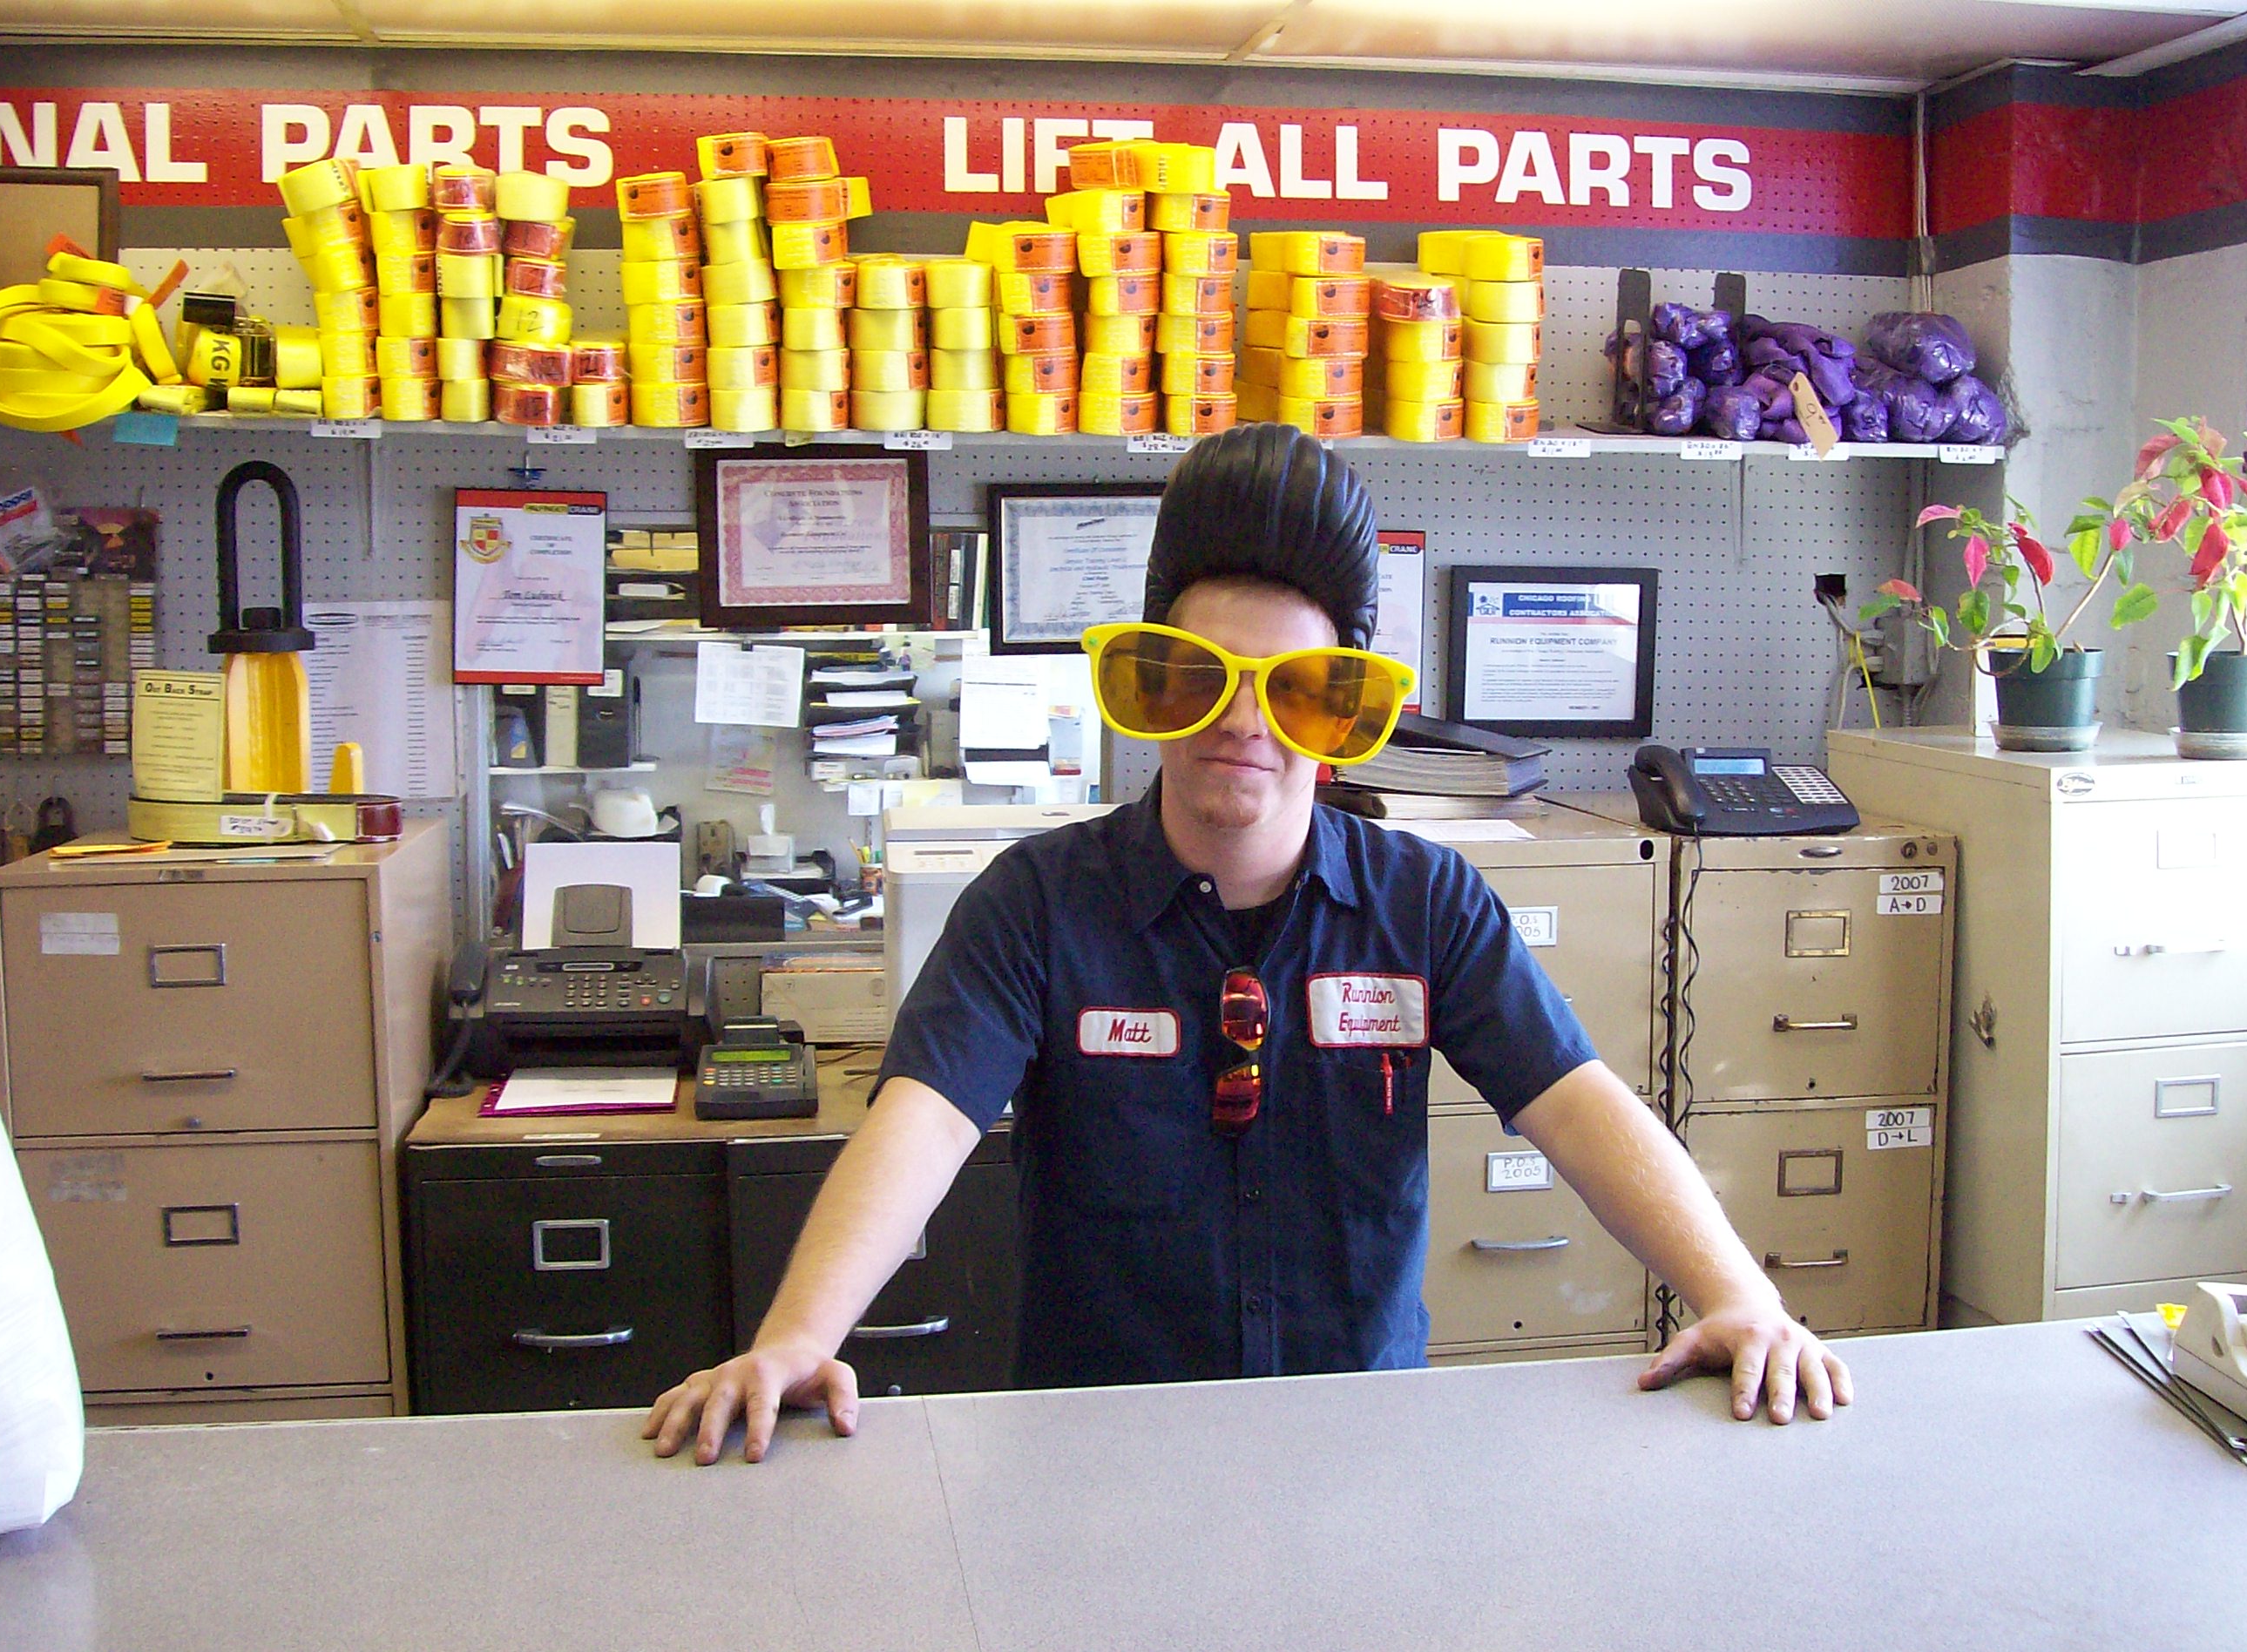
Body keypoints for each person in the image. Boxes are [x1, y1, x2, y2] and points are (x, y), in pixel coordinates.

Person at [646, 423, 1851, 1465]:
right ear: (1153, 684)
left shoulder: (1427, 906)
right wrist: (798, 1337)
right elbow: (921, 1119)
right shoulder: (1036, 906)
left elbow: (1581, 1108)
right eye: (1203, 677)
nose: (1241, 724)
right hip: (1096, 1459)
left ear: (1338, 716)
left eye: (1291, 690)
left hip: (1360, 1447)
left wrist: (1738, 1297)